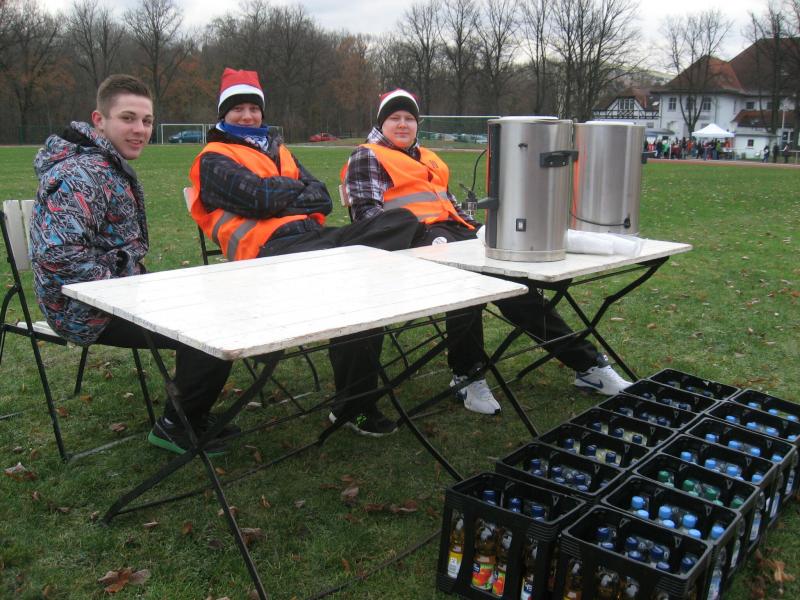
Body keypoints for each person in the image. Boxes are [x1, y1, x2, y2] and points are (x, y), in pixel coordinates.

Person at [341, 89, 631, 416]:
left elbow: (450, 206)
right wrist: (422, 236)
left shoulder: (429, 158)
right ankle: (467, 375)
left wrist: (479, 229)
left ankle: (588, 365)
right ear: (381, 123)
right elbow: (368, 219)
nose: (403, 124)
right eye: (394, 118)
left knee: (517, 285)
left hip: (453, 235)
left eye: (409, 118)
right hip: (407, 247)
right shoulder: (367, 155)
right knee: (467, 283)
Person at [188, 69, 425, 437]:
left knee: (401, 221)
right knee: (365, 290)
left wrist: (277, 193)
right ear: (224, 114)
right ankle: (355, 406)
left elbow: (323, 197)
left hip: (314, 242)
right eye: (238, 109)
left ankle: (353, 400)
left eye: (254, 108)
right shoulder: (213, 158)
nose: (248, 116)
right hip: (269, 257)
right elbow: (258, 199)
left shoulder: (279, 150)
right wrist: (290, 191)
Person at [30, 74, 234, 456]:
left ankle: (191, 414)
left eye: (147, 120)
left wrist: (131, 280)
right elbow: (58, 256)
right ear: (99, 120)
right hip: (81, 308)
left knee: (216, 304)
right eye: (128, 118)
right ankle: (177, 427)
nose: (140, 129)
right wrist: (125, 280)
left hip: (117, 289)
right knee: (210, 328)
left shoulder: (105, 164)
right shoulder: (80, 175)